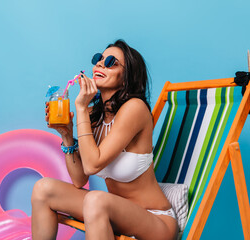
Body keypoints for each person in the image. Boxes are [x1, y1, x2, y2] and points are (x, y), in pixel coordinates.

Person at [31, 40, 178, 240]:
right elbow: (79, 179)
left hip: (154, 221)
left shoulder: (134, 108)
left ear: (126, 78)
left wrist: (81, 108)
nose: (100, 64)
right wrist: (66, 135)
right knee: (43, 189)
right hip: (108, 212)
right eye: (98, 59)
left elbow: (92, 166)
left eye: (111, 62)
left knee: (95, 200)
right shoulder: (93, 114)